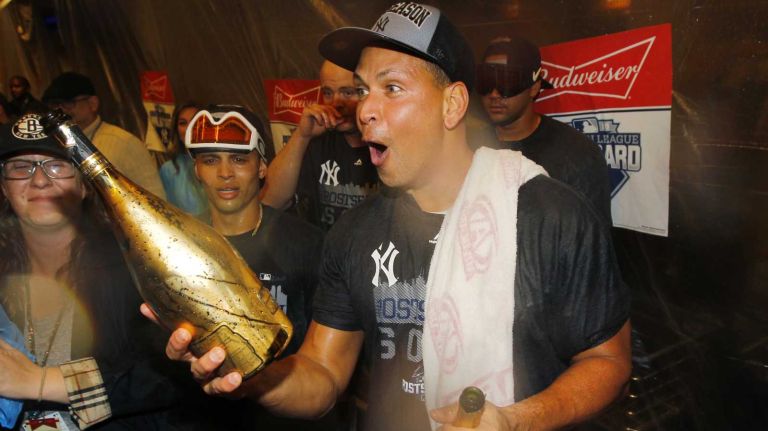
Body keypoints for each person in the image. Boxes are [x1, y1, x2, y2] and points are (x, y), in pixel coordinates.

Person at [149, 3, 631, 431]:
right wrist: (250, 376)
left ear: (453, 104)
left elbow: (607, 359)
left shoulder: (550, 215)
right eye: (363, 90)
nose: (365, 110)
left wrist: (514, 421)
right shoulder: (355, 233)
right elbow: (322, 374)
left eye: (392, 88)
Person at [0, 114, 196, 429]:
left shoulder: (132, 267)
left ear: (84, 185)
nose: (38, 180)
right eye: (21, 167)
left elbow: (170, 374)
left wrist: (40, 382)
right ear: (4, 187)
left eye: (57, 165)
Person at [183, 104, 330, 429]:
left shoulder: (305, 243)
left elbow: (324, 355)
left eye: (238, 159)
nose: (225, 173)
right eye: (210, 160)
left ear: (262, 167)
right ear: (196, 170)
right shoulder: (179, 244)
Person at [477, 36, 612, 224]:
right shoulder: (466, 145)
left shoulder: (576, 155)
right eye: (486, 81)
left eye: (507, 82)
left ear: (534, 88)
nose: (494, 94)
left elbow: (592, 240)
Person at [260, 60, 379, 231]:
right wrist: (302, 136)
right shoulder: (316, 143)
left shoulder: (385, 145)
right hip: (324, 254)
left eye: (347, 92)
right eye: (328, 93)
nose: (336, 103)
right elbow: (270, 202)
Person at [41, 72, 167, 199]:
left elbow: (155, 197)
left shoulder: (123, 142)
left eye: (69, 103)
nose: (61, 110)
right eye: (55, 104)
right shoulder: (52, 144)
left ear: (93, 103)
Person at [159, 102, 209, 219]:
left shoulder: (221, 163)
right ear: (176, 129)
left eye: (194, 121)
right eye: (183, 123)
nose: (189, 128)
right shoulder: (168, 170)